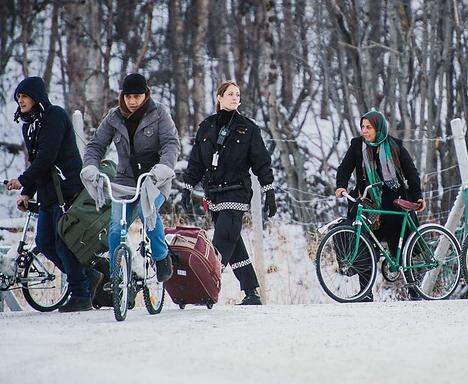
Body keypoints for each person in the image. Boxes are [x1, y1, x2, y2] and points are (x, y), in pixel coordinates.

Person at [7, 76, 100, 312]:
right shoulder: (30, 125)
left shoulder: (55, 116)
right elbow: (38, 161)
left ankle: (81, 294)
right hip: (49, 194)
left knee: (64, 242)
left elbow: (48, 157)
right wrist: (28, 192)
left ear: (37, 97)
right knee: (44, 242)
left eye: (25, 96)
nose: (21, 101)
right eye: (18, 98)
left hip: (66, 191)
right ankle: (89, 276)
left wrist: (23, 181)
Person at [181, 81, 276, 306]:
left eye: (238, 95)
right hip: (213, 193)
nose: (235, 98)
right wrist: (187, 187)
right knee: (233, 243)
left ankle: (204, 285)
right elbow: (196, 162)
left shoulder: (248, 128)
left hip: (237, 192)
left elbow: (261, 162)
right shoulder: (206, 126)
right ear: (219, 98)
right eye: (230, 94)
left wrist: (268, 190)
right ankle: (252, 293)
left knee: (223, 238)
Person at [83, 73, 180, 283]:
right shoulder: (114, 117)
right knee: (117, 227)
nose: (132, 101)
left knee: (148, 215)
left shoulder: (159, 113)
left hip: (154, 179)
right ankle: (115, 278)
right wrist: (90, 167)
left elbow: (170, 144)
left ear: (146, 95)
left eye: (137, 96)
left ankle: (162, 256)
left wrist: (163, 168)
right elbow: (96, 145)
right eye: (128, 96)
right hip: (125, 181)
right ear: (122, 97)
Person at [335, 109, 425, 302]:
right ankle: (365, 293)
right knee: (361, 242)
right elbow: (344, 168)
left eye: (369, 127)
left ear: (379, 128)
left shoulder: (395, 146)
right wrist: (341, 186)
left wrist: (417, 197)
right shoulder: (357, 145)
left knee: (402, 244)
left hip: (393, 202)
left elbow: (411, 174)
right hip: (367, 201)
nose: (364, 131)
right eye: (362, 127)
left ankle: (413, 290)